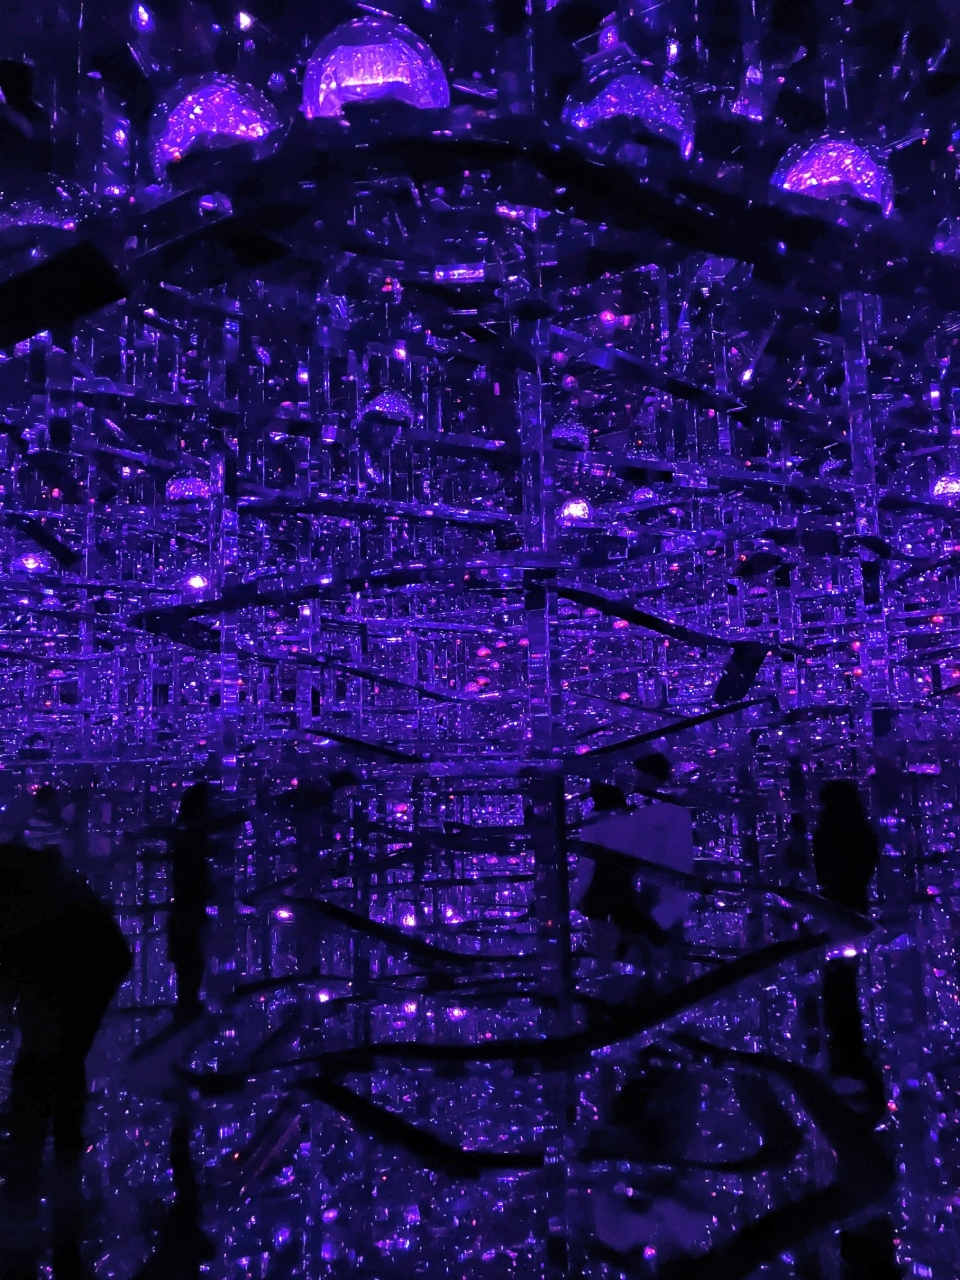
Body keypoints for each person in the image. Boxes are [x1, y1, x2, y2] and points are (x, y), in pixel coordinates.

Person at [0, 843, 130, 1216]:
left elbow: (15, 957)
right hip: (87, 974)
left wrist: (13, 1001)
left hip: (72, 979)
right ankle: (58, 1160)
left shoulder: (28, 897)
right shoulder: (50, 886)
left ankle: (30, 1171)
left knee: (40, 1068)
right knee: (64, 1063)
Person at [167, 784, 213, 1024]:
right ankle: (187, 1008)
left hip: (184, 913)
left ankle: (186, 1008)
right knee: (191, 962)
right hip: (189, 913)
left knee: (188, 963)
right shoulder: (193, 841)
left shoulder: (184, 838)